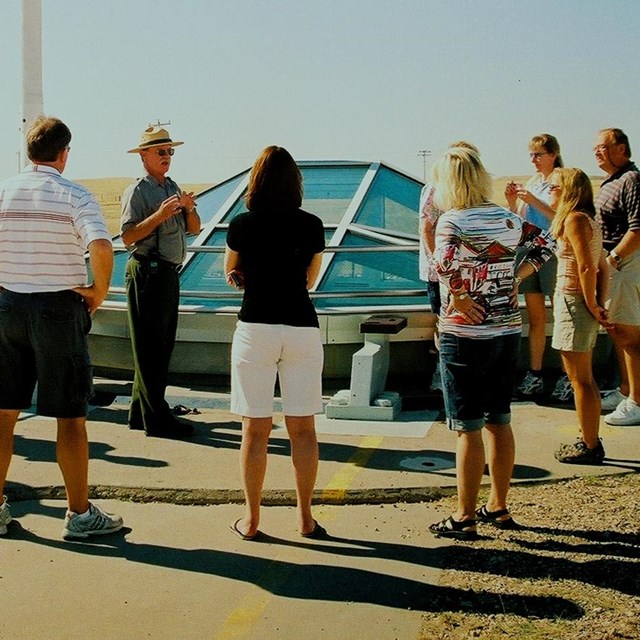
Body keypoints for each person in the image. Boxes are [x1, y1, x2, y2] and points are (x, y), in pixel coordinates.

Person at [0, 116, 123, 540]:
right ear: (64, 152)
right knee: (70, 416)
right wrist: (98, 291)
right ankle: (80, 514)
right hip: (57, 308)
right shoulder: (74, 194)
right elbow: (101, 244)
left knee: (2, 414)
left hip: (7, 305)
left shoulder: (5, 190)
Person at [427, 147, 555, 540]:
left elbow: (442, 262)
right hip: (505, 330)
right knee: (500, 420)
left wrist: (462, 296)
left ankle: (464, 517)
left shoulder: (452, 220)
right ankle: (498, 506)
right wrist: (516, 278)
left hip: (464, 334)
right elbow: (547, 243)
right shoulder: (506, 217)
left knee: (467, 428)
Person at [224, 146, 325, 540]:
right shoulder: (312, 225)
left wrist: (244, 276)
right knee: (303, 429)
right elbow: (310, 281)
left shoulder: (242, 225)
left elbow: (231, 270)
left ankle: (251, 520)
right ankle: (304, 517)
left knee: (255, 429)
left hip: (256, 328)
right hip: (301, 327)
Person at [121, 125, 201, 439]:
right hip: (148, 272)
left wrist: (188, 209)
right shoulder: (138, 191)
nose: (167, 156)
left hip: (165, 274)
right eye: (160, 151)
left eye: (169, 151)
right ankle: (158, 420)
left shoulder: (171, 186)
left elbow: (192, 229)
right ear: (144, 155)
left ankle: (142, 414)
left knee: (159, 346)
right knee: (150, 348)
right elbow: (127, 236)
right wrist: (159, 215)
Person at [548, 169, 611, 464]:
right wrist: (598, 303)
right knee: (582, 379)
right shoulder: (589, 221)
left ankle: (590, 445)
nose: (551, 191)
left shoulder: (574, 219)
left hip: (574, 302)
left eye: (555, 187)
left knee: (580, 380)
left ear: (569, 190)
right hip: (578, 303)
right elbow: (604, 267)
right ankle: (588, 436)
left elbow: (588, 267)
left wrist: (591, 304)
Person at [506, 134, 570, 402]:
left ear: (553, 154)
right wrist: (512, 201)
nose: (534, 159)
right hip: (528, 250)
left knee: (561, 317)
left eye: (539, 154)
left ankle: (568, 375)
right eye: (531, 154)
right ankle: (536, 372)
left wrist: (532, 200)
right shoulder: (534, 182)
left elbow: (559, 217)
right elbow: (519, 218)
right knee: (536, 319)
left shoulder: (561, 180)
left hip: (552, 252)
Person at [419, 141, 479, 393]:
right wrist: (438, 264)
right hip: (439, 275)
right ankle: (443, 372)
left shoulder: (471, 193)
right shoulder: (435, 189)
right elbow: (427, 227)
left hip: (467, 272)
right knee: (445, 321)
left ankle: (462, 372)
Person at [593, 128, 640, 426]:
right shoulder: (612, 182)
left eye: (602, 146)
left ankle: (636, 401)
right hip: (613, 265)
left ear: (621, 149)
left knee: (628, 335)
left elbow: (637, 229)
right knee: (617, 332)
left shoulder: (632, 180)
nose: (597, 151)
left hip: (623, 264)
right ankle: (626, 392)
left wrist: (613, 260)